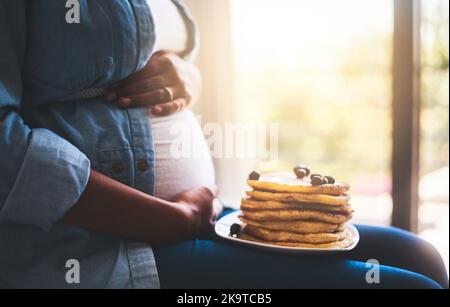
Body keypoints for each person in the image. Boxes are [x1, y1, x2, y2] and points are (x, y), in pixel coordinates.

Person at [0, 0, 447, 289]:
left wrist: (187, 76)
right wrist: (166, 221)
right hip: (98, 245)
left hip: (192, 217)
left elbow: (156, 55)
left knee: (419, 255)